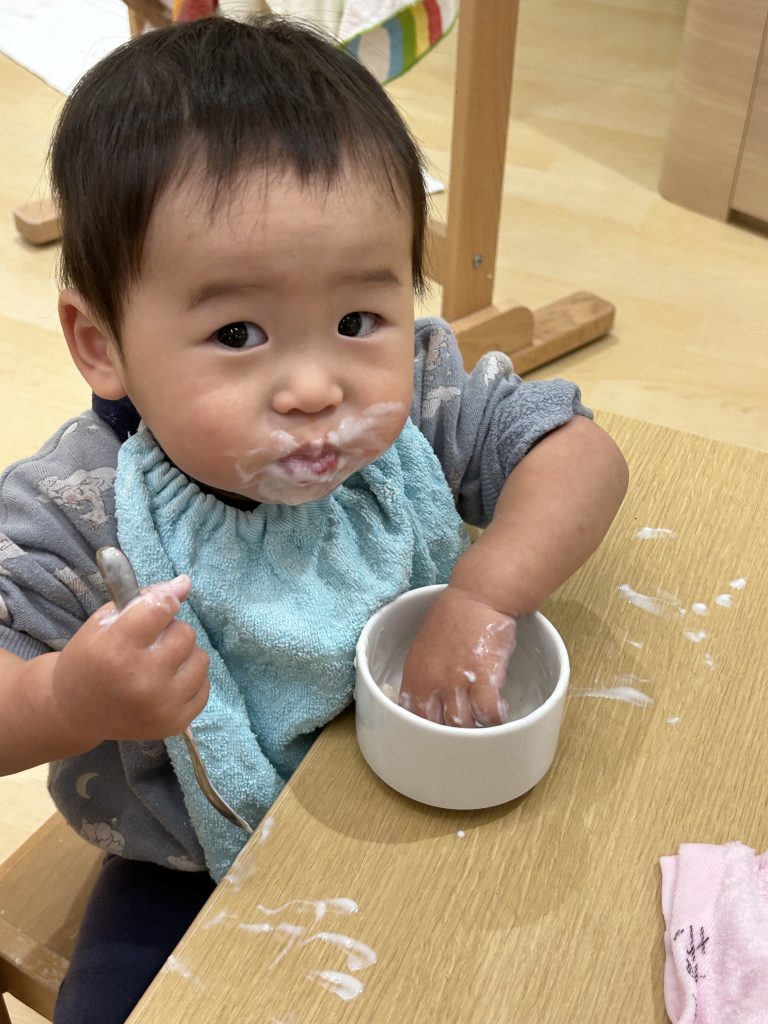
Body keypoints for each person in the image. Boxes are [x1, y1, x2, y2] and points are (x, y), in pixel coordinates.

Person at [0, 15, 628, 1022]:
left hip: (411, 780)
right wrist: (70, 698)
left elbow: (582, 456)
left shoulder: (418, 394)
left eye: (356, 320)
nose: (314, 387)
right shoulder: (80, 511)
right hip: (190, 862)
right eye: (239, 332)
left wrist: (486, 587)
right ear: (102, 342)